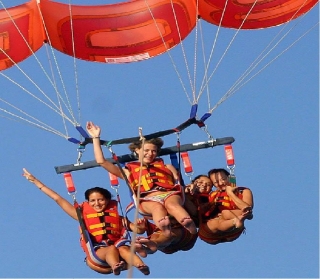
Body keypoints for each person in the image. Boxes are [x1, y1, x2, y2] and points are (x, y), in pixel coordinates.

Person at [22, 168, 150, 276]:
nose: (97, 203)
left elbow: (137, 230)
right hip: (98, 254)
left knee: (124, 249)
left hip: (121, 251)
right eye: (92, 201)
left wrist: (141, 226)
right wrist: (36, 182)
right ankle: (115, 266)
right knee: (111, 249)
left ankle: (141, 266)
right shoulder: (82, 217)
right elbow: (57, 198)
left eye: (100, 200)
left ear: (107, 200)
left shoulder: (118, 218)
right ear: (88, 202)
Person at [86, 121, 197, 238]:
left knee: (172, 205)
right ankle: (164, 228)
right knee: (156, 208)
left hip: (169, 194)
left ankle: (189, 224)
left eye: (154, 151)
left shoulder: (167, 167)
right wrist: (96, 138)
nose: (150, 154)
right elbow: (101, 161)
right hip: (147, 199)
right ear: (137, 150)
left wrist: (189, 188)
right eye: (146, 150)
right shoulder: (127, 171)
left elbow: (179, 184)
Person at [198, 168, 254, 245]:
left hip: (233, 231)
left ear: (229, 178)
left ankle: (235, 221)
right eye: (216, 182)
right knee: (216, 222)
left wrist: (230, 193)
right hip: (210, 232)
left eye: (223, 179)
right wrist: (211, 204)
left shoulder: (243, 191)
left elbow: (247, 207)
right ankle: (235, 221)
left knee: (226, 213)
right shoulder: (210, 195)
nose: (220, 183)